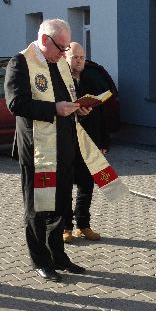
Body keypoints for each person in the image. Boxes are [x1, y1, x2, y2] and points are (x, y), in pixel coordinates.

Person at [4, 19, 90, 282]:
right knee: (37, 209)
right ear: (44, 40)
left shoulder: (59, 63)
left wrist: (79, 108)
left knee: (60, 206)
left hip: (63, 149)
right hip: (37, 152)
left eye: (66, 48)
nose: (64, 54)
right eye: (61, 47)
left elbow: (67, 101)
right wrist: (54, 109)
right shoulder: (20, 62)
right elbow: (16, 103)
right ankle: (40, 260)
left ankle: (58, 255)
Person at [62, 42, 111, 243]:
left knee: (86, 185)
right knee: (65, 186)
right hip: (66, 142)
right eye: (75, 57)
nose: (79, 61)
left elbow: (102, 114)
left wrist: (103, 142)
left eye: (82, 57)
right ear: (66, 58)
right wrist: (76, 112)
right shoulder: (59, 81)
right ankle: (66, 227)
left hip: (90, 142)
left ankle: (83, 225)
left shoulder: (91, 78)